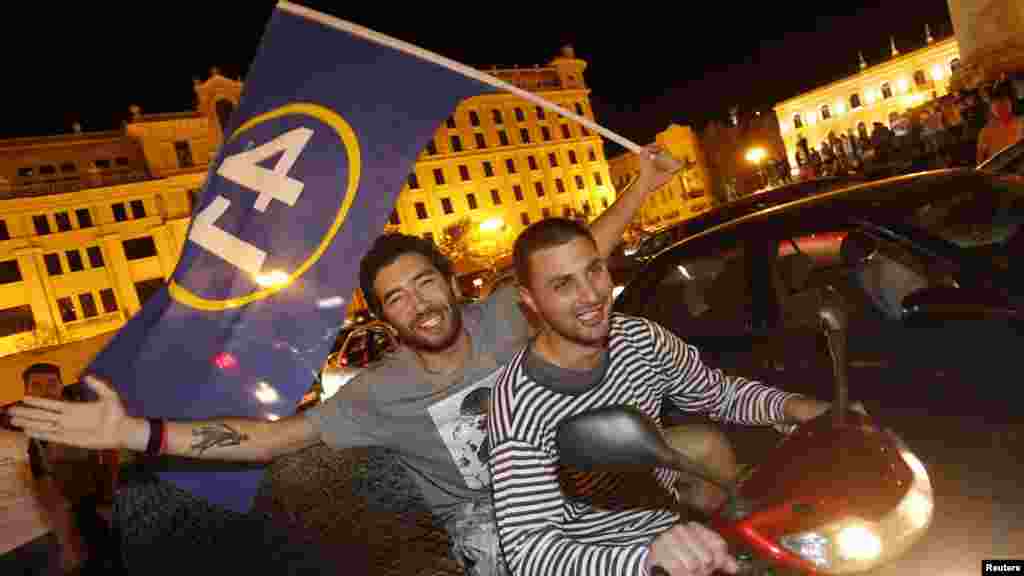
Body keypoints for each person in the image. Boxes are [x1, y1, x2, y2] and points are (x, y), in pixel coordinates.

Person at [6, 146, 681, 576]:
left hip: (570, 485)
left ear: (451, 283)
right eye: (396, 299)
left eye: (424, 284)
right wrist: (133, 432)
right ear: (384, 320)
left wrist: (644, 184)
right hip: (490, 527)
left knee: (682, 481)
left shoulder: (507, 314)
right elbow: (269, 439)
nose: (418, 305)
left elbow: (582, 251)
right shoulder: (375, 394)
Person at [488, 218, 834, 576]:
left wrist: (796, 406)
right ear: (530, 300)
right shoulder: (518, 407)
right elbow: (529, 553)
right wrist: (642, 561)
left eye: (594, 270)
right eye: (563, 285)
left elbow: (719, 394)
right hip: (610, 564)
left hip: (678, 536)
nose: (590, 295)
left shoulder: (639, 339)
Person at [1, 364, 85, 575]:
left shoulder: (25, 436)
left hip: (43, 534)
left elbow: (48, 490)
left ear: (62, 386)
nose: (45, 391)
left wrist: (66, 542)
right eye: (37, 386)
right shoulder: (27, 433)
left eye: (51, 384)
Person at [977, 81, 1024, 164]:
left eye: (1003, 100)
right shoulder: (986, 132)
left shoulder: (1022, 122)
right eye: (994, 102)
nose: (999, 105)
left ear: (1011, 102)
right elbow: (980, 163)